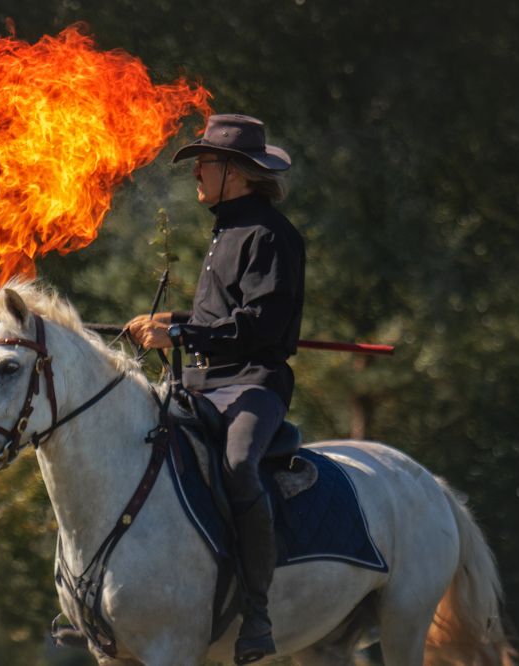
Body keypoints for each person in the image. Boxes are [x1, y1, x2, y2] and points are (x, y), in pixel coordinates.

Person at [125, 113, 305, 664]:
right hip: (202, 381)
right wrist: (171, 321)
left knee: (239, 465)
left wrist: (181, 333)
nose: (196, 173)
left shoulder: (271, 235)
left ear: (236, 172)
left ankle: (257, 611)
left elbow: (262, 328)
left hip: (255, 383)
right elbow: (217, 317)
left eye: (205, 163)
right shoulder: (225, 229)